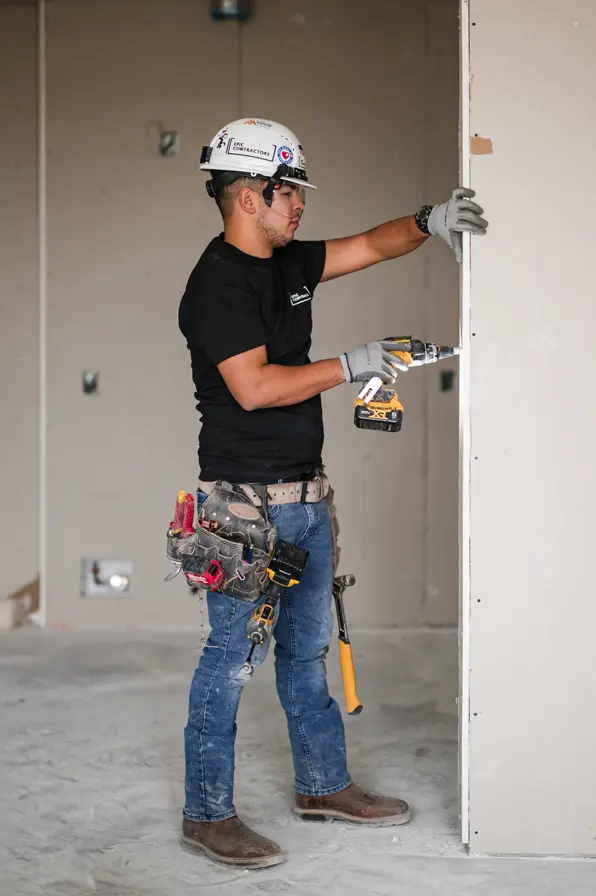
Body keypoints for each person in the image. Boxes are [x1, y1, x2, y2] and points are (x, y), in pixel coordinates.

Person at [178, 118, 488, 869]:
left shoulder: (290, 263)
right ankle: (206, 813)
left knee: (307, 652)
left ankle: (323, 785)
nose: (301, 207)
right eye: (291, 194)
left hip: (308, 499)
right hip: (244, 510)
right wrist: (352, 363)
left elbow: (373, 244)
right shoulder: (216, 284)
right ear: (249, 196)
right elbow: (251, 388)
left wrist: (427, 222)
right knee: (229, 661)